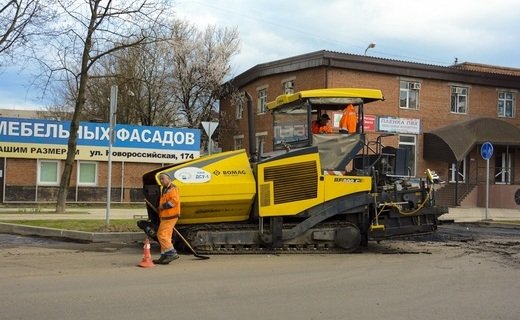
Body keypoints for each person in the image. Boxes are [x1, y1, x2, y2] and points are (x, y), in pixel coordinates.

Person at [153, 173, 181, 265]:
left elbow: (174, 201)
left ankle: (172, 253)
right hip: (166, 216)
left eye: (163, 178)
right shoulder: (165, 189)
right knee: (166, 237)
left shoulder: (172, 188)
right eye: (160, 179)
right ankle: (164, 256)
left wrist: (162, 207)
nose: (161, 180)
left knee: (161, 235)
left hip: (170, 216)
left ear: (169, 179)